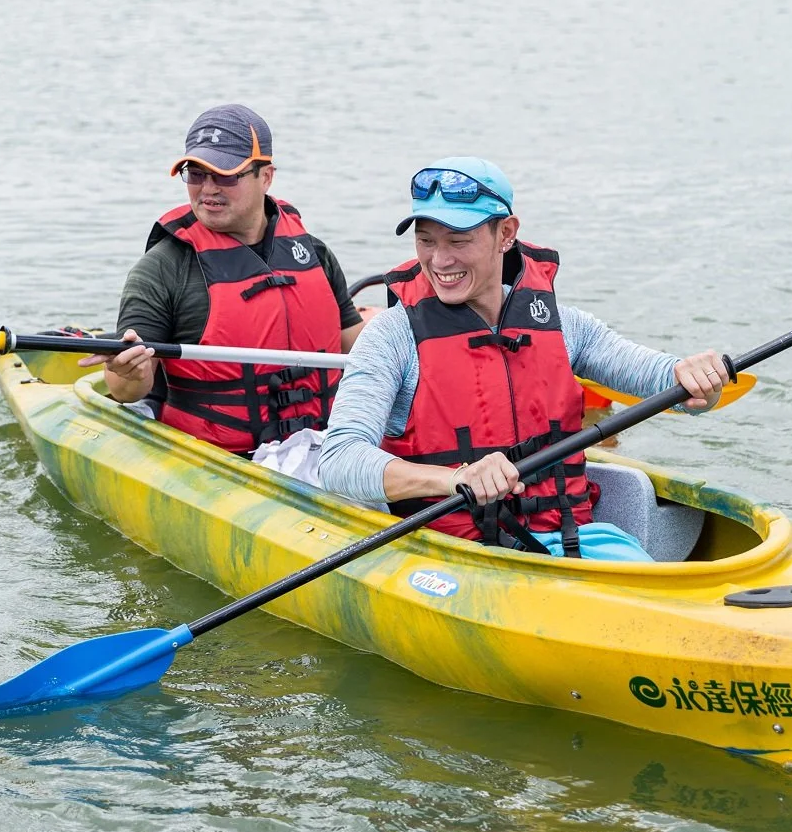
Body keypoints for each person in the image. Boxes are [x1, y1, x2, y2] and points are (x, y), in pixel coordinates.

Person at [319, 158, 729, 563]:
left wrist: (694, 382)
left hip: (572, 540)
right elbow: (339, 459)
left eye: (458, 242)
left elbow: (666, 384)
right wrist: (456, 479)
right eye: (426, 241)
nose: (440, 260)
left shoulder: (562, 325)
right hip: (449, 554)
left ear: (506, 234)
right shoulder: (392, 335)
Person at [84, 105, 365, 454]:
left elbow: (354, 345)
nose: (208, 189)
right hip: (219, 457)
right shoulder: (162, 268)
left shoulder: (312, 253)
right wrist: (130, 373)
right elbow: (125, 390)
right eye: (195, 174)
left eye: (225, 175)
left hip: (327, 443)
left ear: (266, 177)